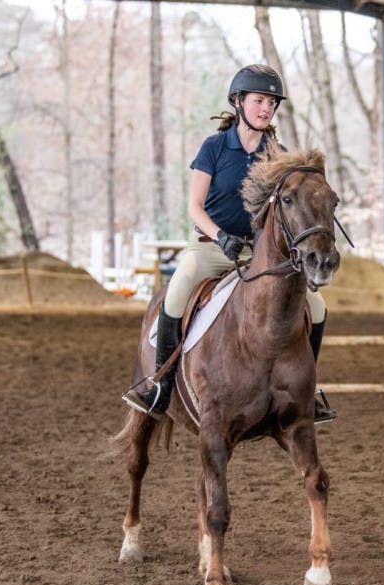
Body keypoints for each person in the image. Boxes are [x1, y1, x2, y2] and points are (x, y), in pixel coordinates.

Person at [125, 64, 337, 423]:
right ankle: (158, 384)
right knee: (176, 292)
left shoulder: (278, 153)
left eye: (271, 103)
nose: (266, 108)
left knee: (315, 306)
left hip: (258, 255)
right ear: (238, 102)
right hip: (210, 248)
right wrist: (221, 235)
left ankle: (307, 391)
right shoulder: (214, 147)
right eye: (258, 101)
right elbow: (194, 206)